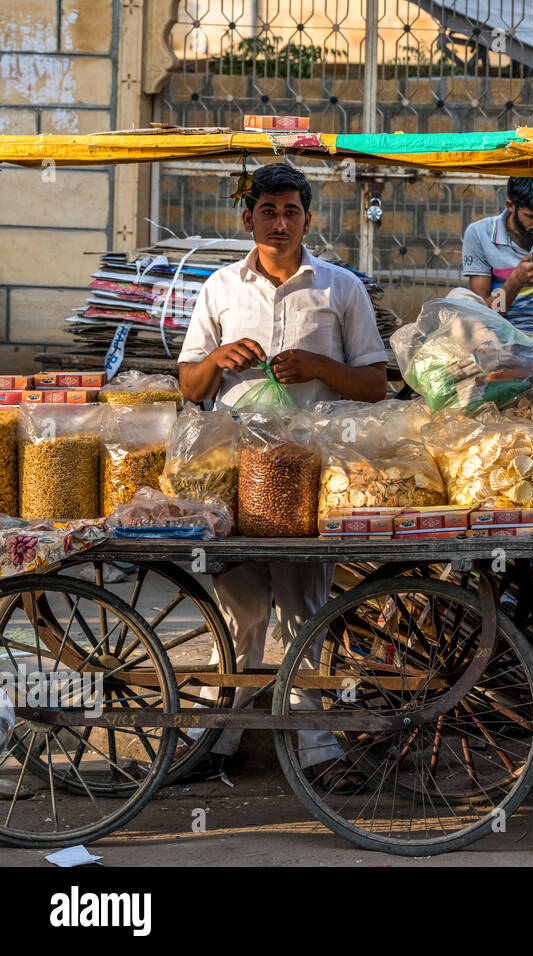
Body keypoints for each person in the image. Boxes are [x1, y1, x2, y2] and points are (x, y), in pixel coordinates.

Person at [177, 161, 388, 789]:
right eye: (266, 211)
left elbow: (376, 385)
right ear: (248, 218)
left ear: (308, 217)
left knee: (305, 611)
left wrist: (321, 365)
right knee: (238, 614)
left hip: (309, 474)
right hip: (230, 475)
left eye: (290, 211)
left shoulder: (339, 287)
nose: (278, 222)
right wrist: (217, 359)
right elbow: (190, 387)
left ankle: (316, 751)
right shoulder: (219, 287)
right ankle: (216, 743)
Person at [462, 175, 533, 349]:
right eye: (531, 216)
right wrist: (517, 280)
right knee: (458, 297)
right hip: (491, 331)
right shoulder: (479, 234)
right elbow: (485, 315)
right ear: (510, 206)